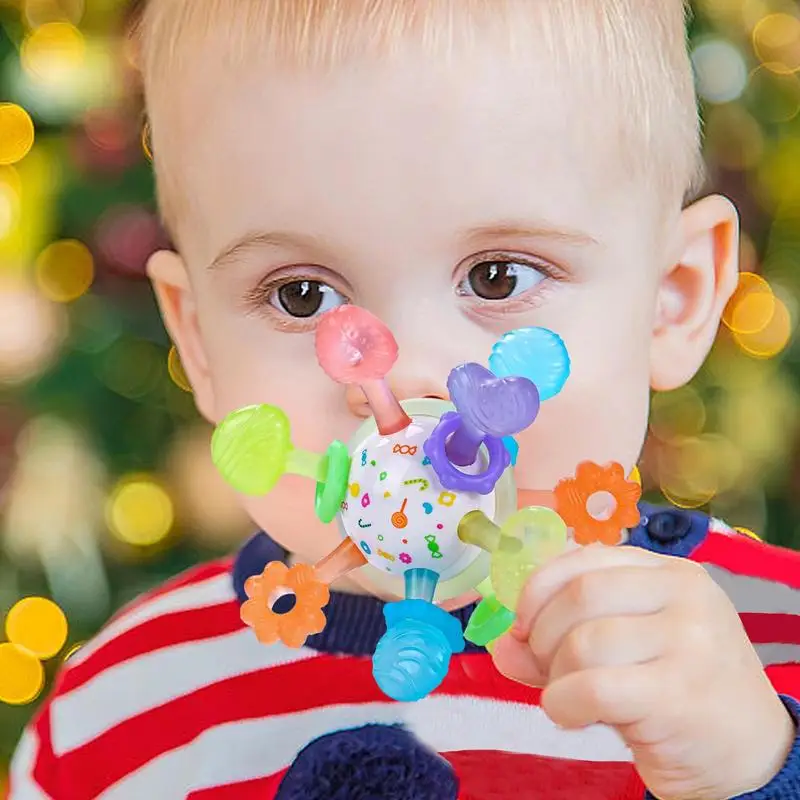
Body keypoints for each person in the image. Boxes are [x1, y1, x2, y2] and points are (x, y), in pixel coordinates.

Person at [9, 1, 800, 798]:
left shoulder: (773, 642)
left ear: (675, 296)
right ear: (200, 342)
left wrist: (757, 766)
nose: (407, 377)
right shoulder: (118, 713)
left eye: (499, 276)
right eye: (301, 295)